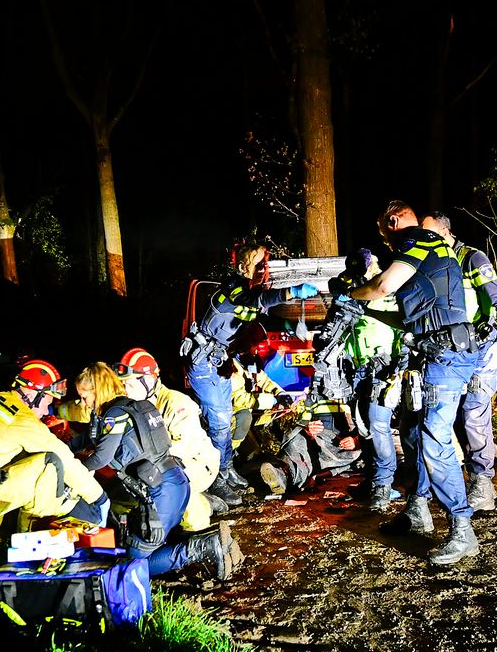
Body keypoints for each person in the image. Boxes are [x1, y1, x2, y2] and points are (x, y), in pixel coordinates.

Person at [349, 201, 482, 565]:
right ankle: (418, 508)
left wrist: (351, 296)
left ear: (392, 222)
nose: (385, 242)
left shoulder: (416, 240)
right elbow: (405, 315)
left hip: (445, 357)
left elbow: (383, 285)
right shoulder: (431, 249)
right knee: (412, 431)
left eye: (382, 232)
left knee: (435, 439)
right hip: (438, 352)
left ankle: (462, 529)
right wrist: (365, 308)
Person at [75, 362, 243, 580]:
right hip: (173, 482)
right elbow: (88, 438)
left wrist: (74, 473)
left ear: (97, 391)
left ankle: (203, 547)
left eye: (84, 396)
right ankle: (204, 542)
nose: (83, 403)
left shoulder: (114, 415)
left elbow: (101, 458)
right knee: (140, 544)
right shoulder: (132, 407)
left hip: (161, 492)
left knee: (130, 569)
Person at [180, 241, 319, 496]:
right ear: (247, 265)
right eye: (261, 264)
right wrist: (291, 291)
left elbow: (258, 314)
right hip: (204, 364)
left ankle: (226, 469)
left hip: (219, 361)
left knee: (223, 422)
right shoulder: (233, 286)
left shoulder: (249, 293)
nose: (265, 269)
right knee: (220, 424)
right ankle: (216, 480)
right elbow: (256, 299)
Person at [0, 358, 109, 543]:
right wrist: (99, 497)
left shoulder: (1, 406)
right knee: (50, 463)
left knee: (22, 463)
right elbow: (62, 455)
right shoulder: (20, 420)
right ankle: (31, 544)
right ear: (32, 394)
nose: (44, 412)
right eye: (46, 402)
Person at [420, 211, 497, 512]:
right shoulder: (428, 263)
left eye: (429, 232)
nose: (424, 238)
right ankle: (458, 483)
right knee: (453, 419)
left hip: (481, 348)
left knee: (475, 416)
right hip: (449, 352)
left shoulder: (471, 258)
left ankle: (482, 484)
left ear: (445, 231)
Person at [115, 346, 238, 525]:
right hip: (162, 464)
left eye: (130, 384)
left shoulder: (175, 402)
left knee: (162, 484)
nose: (126, 390)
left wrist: (146, 456)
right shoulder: (134, 404)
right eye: (124, 384)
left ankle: (203, 506)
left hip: (199, 464)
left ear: (149, 380)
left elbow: (188, 445)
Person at [334, 248, 407, 512]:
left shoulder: (387, 292)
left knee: (378, 426)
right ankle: (373, 478)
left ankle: (383, 486)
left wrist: (399, 366)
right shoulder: (354, 292)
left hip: (382, 367)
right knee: (364, 426)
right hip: (358, 369)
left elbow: (402, 328)